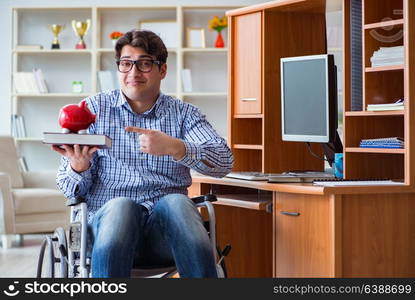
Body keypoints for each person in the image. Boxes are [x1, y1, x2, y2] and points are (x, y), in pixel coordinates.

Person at [53, 29, 233, 278]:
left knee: (177, 202)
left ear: (163, 70)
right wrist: (78, 168)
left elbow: (224, 161)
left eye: (144, 64)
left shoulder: (184, 114)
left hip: (166, 238)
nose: (134, 73)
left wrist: (176, 147)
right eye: (126, 64)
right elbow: (68, 188)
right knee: (121, 207)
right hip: (108, 233)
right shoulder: (93, 110)